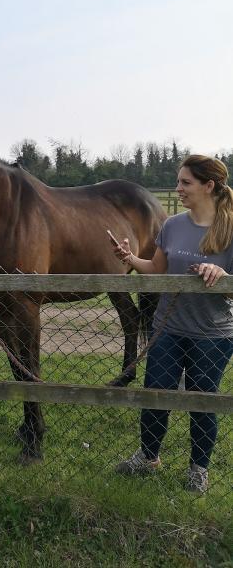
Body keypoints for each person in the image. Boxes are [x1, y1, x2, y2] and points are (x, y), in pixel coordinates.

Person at [111, 154, 233, 493]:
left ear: (208, 186)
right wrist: (131, 259)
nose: (178, 188)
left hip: (212, 334)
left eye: (185, 182)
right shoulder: (173, 226)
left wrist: (224, 276)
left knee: (201, 400)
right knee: (155, 394)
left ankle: (198, 469)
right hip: (167, 328)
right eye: (178, 182)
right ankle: (148, 457)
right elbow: (157, 269)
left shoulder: (231, 228)